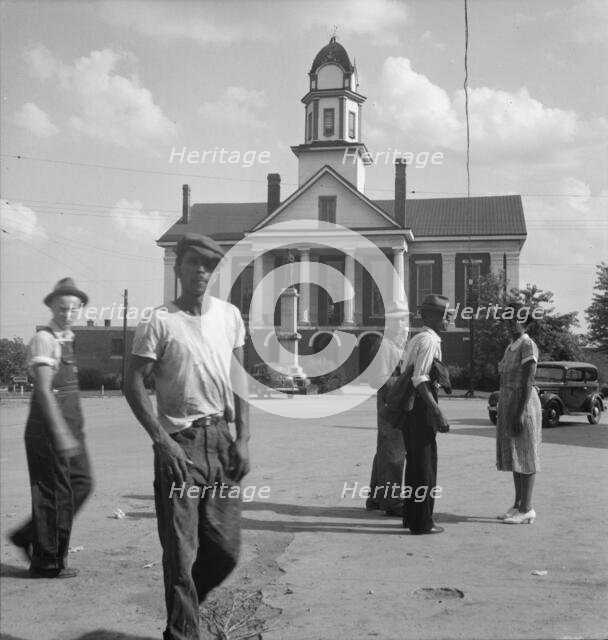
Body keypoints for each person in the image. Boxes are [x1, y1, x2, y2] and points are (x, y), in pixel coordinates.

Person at [124, 233, 250, 640]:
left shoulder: (229, 316)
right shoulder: (160, 321)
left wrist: (243, 436)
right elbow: (131, 383)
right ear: (178, 268)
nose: (201, 271)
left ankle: (187, 608)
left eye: (209, 266)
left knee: (227, 550)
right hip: (181, 445)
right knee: (181, 554)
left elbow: (237, 377)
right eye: (193, 263)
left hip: (221, 441)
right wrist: (162, 440)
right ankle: (181, 633)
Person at [9, 278, 93, 578]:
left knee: (81, 483)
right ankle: (47, 561)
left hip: (69, 427)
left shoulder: (67, 338)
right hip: (47, 428)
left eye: (74, 308)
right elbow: (44, 391)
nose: (68, 312)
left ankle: (29, 535)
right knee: (53, 492)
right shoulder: (45, 340)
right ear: (51, 306)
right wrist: (60, 433)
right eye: (62, 307)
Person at [400, 294, 451, 535]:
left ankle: (412, 517)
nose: (447, 319)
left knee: (415, 465)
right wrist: (437, 411)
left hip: (411, 408)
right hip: (421, 407)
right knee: (424, 467)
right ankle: (422, 522)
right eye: (444, 315)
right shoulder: (429, 341)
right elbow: (420, 378)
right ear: (430, 316)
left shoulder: (416, 339)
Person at [496, 303, 542, 524]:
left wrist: (520, 412)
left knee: (526, 454)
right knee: (516, 456)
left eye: (511, 318)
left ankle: (527, 507)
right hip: (508, 403)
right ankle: (517, 505)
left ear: (523, 321)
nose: (507, 323)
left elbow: (528, 380)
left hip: (522, 404)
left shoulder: (527, 345)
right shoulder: (511, 346)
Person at [365, 300, 409, 516]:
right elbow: (377, 379)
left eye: (405, 321)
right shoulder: (385, 346)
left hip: (392, 407)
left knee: (384, 451)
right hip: (391, 408)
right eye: (399, 321)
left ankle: (375, 497)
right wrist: (406, 383)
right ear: (389, 323)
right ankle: (392, 501)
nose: (404, 325)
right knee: (394, 453)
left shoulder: (393, 346)